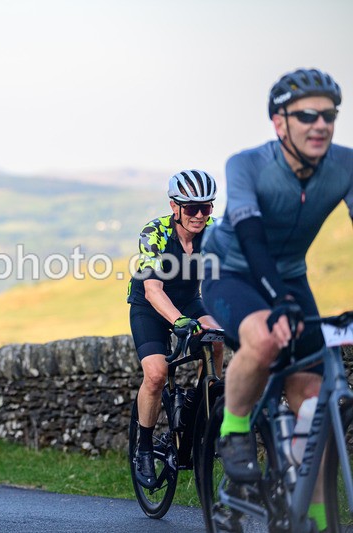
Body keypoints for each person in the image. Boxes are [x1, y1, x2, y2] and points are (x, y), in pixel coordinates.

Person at [203, 67, 353, 531]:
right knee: (266, 339)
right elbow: (249, 234)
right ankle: (233, 431)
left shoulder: (345, 165)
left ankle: (310, 512)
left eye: (329, 115)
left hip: (289, 277)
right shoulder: (246, 164)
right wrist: (275, 301)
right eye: (306, 114)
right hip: (229, 270)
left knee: (315, 395)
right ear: (278, 122)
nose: (321, 124)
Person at [127, 169, 224, 489]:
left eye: (206, 207)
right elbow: (154, 290)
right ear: (174, 206)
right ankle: (143, 448)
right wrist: (179, 321)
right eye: (192, 208)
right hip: (149, 307)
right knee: (155, 374)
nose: (200, 215)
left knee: (218, 339)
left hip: (189, 302)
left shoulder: (215, 232)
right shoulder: (154, 232)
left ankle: (201, 417)